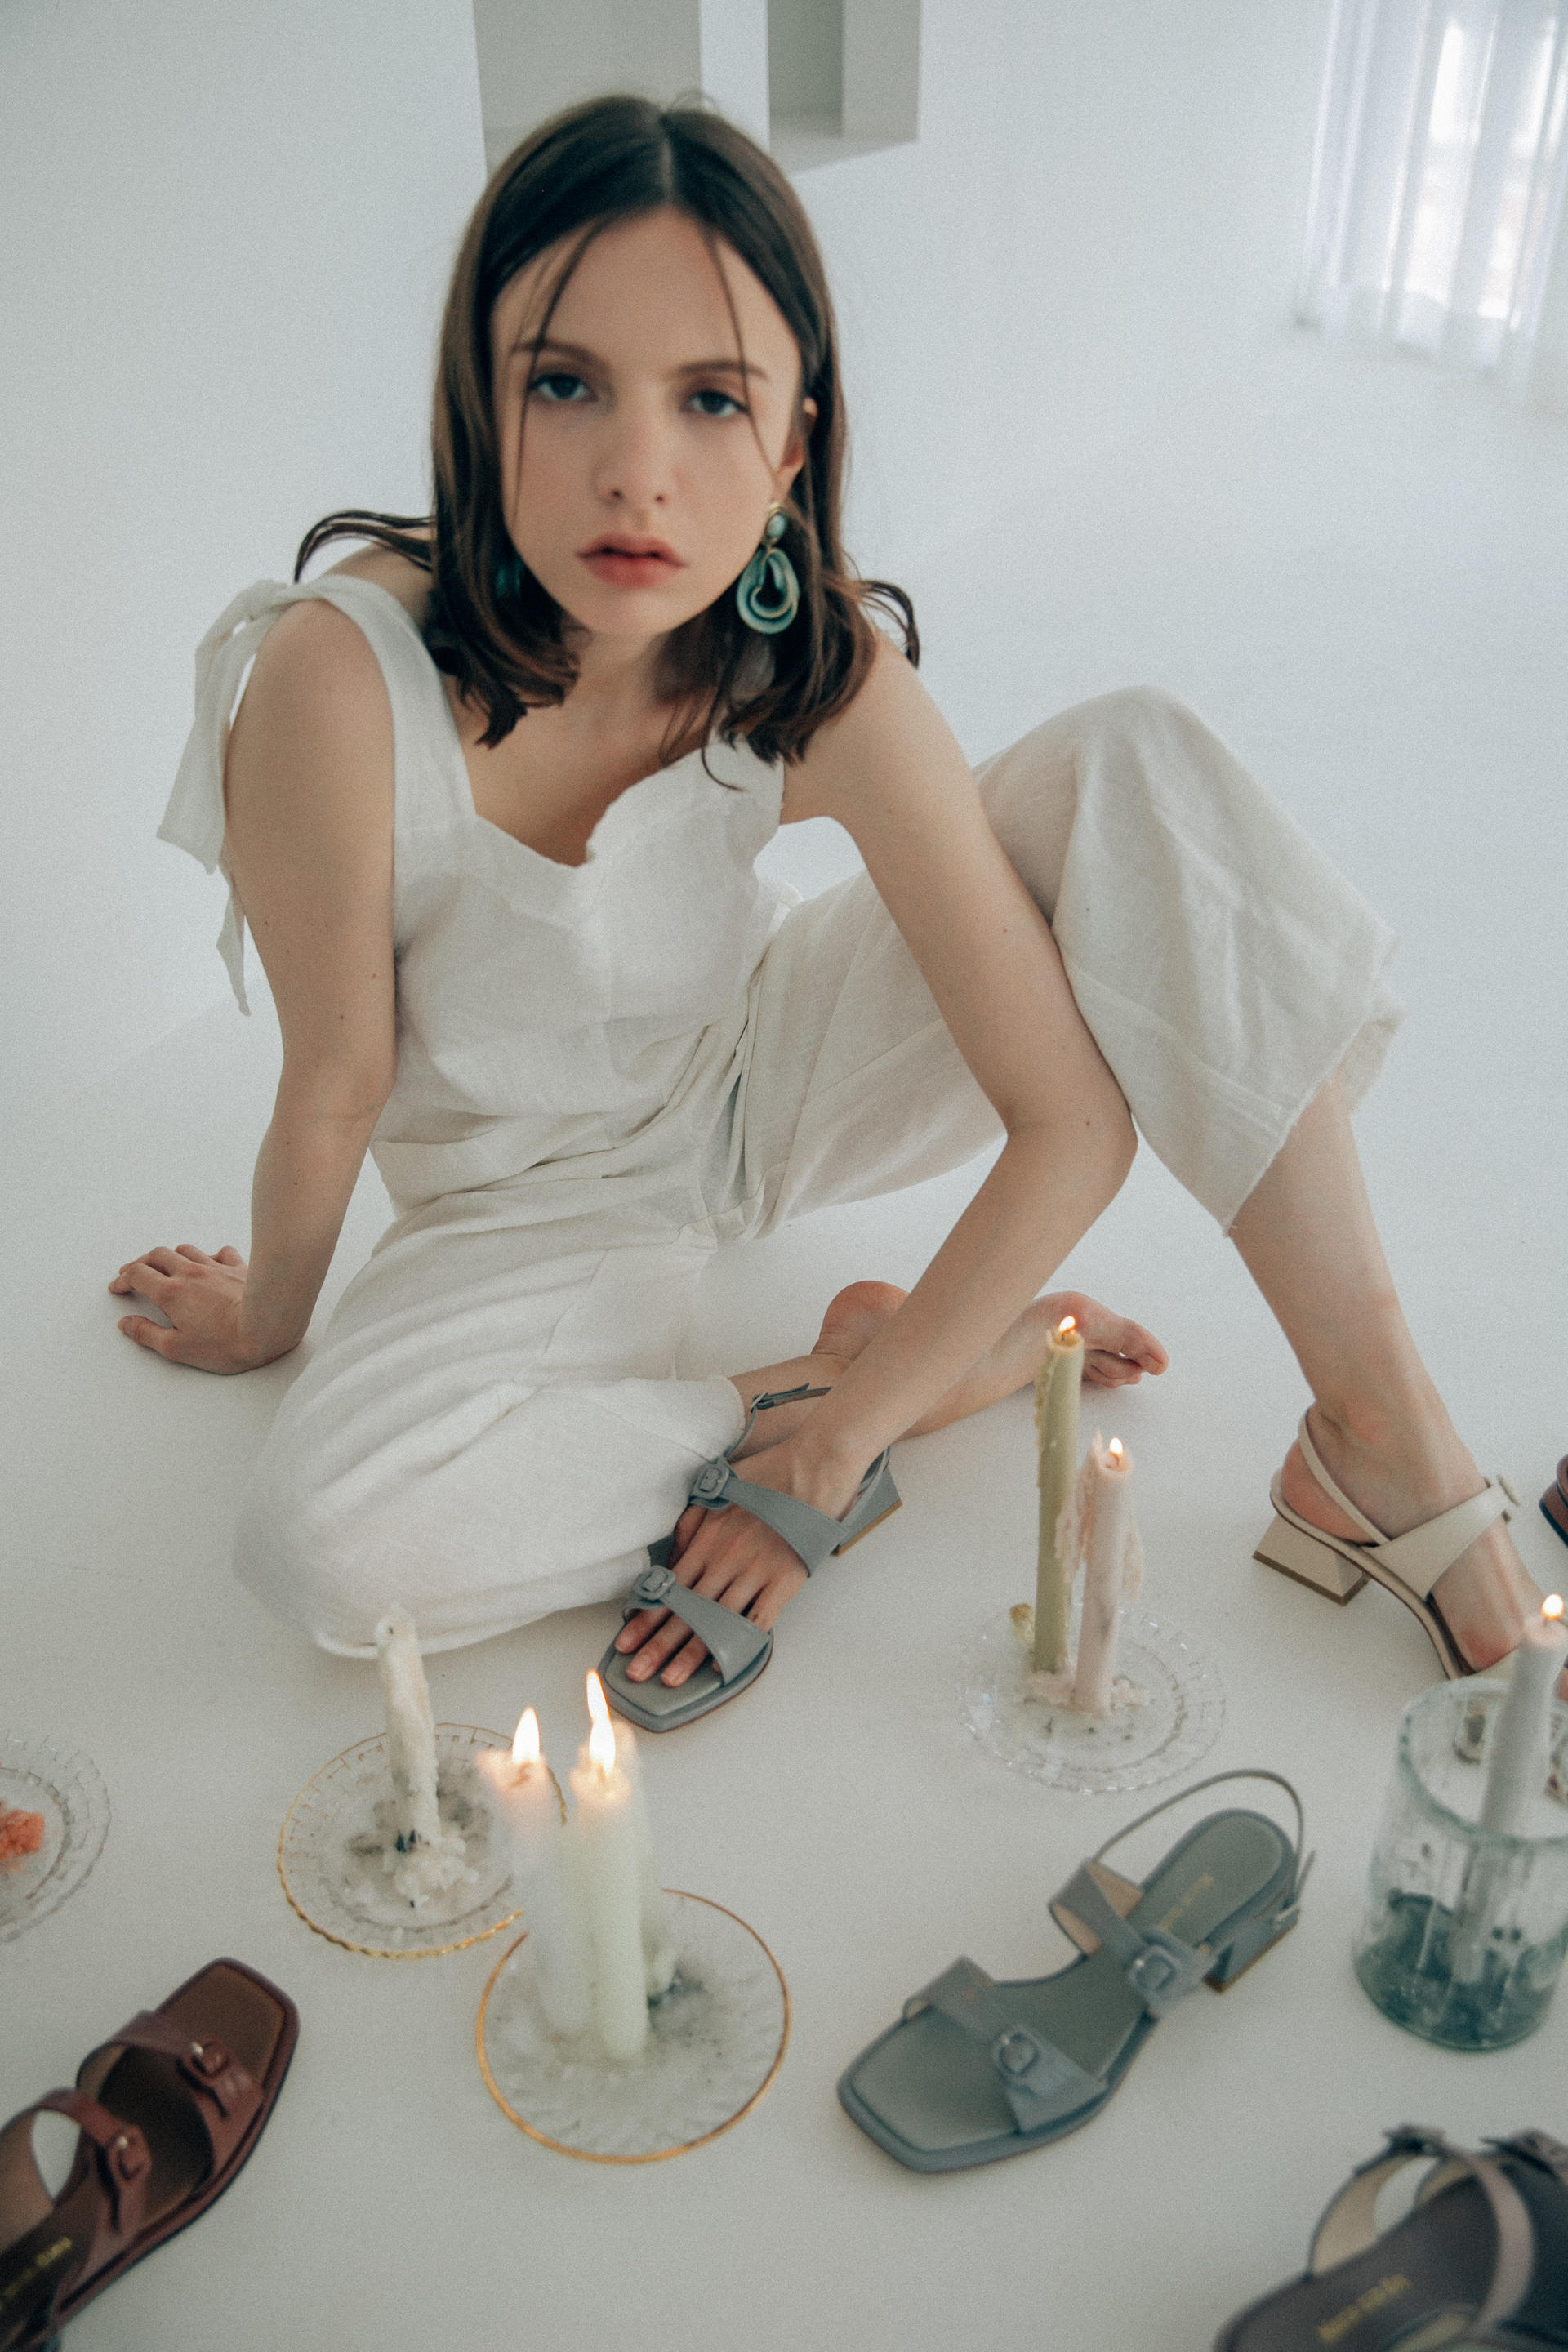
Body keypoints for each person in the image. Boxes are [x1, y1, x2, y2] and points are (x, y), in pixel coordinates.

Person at [113, 95, 1545, 1704]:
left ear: (791, 443)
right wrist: (271, 1318)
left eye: (711, 399)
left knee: (1134, 760)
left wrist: (840, 1459)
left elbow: (1070, 1119)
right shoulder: (337, 679)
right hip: (517, 1207)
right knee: (325, 1544)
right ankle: (839, 1371)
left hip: (756, 1081)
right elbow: (338, 1078)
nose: (636, 474)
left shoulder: (810, 669)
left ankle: (1382, 1429)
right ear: (478, 401)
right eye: (566, 383)